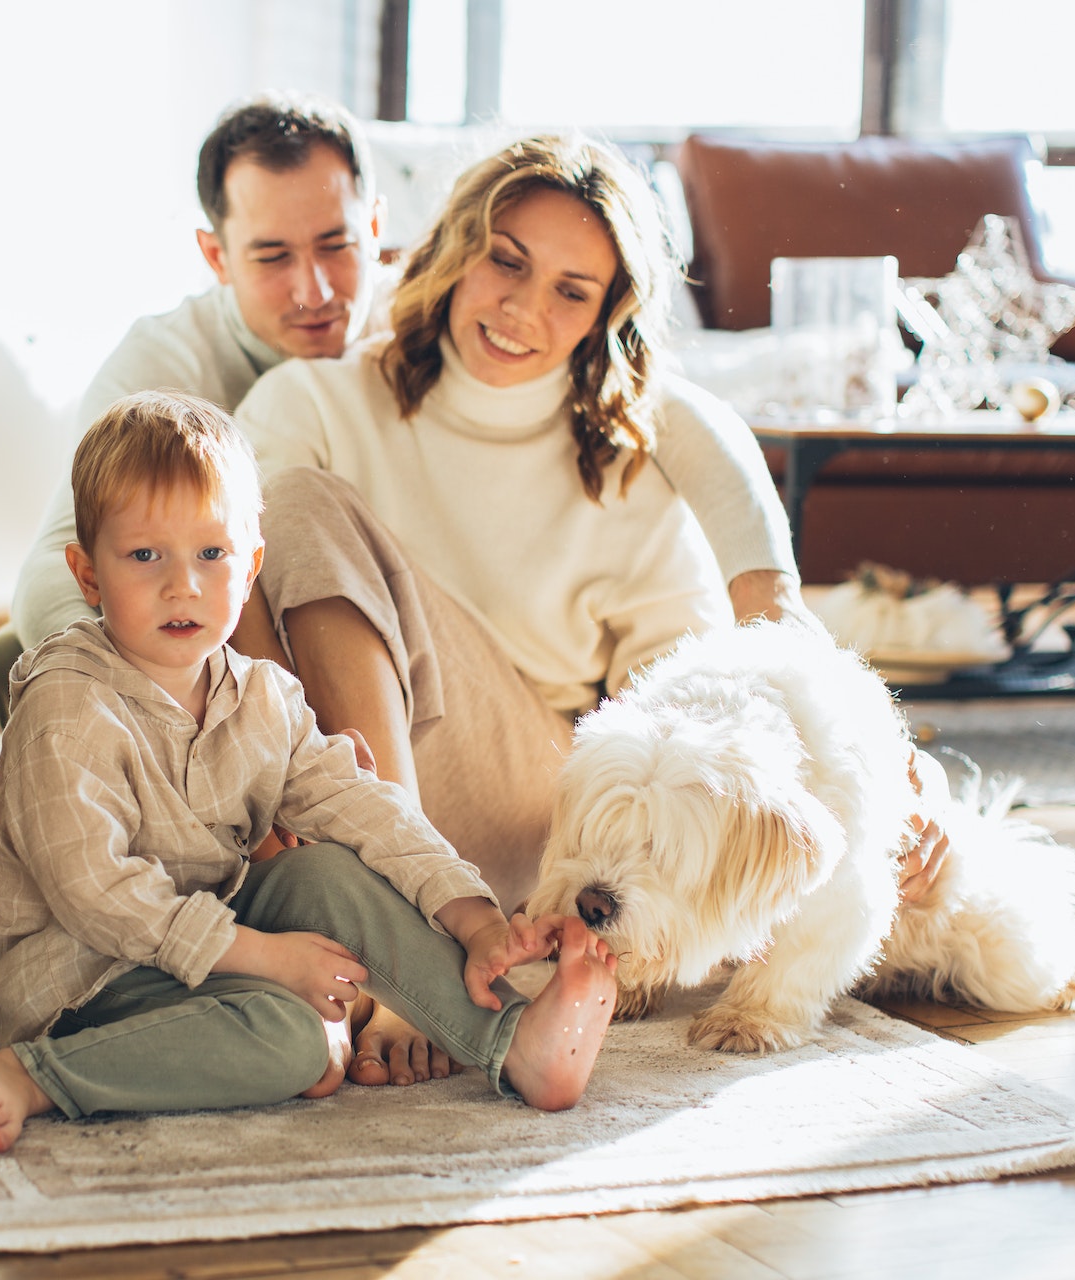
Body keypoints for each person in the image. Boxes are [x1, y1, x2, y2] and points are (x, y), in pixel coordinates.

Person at [228, 136, 949, 1084]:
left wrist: (888, 787)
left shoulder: (626, 457)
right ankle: (374, 926)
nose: (526, 309)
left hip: (537, 815)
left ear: (607, 312)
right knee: (276, 509)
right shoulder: (316, 398)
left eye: (573, 290)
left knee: (303, 506)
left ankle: (402, 949)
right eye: (507, 261)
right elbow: (219, 569)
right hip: (336, 777)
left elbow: (690, 712)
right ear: (452, 250)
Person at [0, 96, 809, 730]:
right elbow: (62, 564)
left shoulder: (435, 321)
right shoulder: (169, 369)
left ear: (377, 231)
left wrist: (779, 620)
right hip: (222, 630)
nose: (315, 291)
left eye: (337, 246)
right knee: (12, 661)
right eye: (271, 257)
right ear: (215, 256)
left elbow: (674, 413)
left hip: (418, 684)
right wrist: (174, 704)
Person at [0, 392, 620, 1152]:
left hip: (212, 932)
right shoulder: (67, 705)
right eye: (145, 556)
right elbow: (100, 898)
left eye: (212, 554)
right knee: (295, 1042)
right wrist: (265, 958)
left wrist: (473, 915)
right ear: (87, 574)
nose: (184, 586)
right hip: (84, 977)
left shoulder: (262, 696)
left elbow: (365, 806)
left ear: (251, 565)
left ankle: (512, 1040)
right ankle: (39, 1075)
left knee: (330, 871)